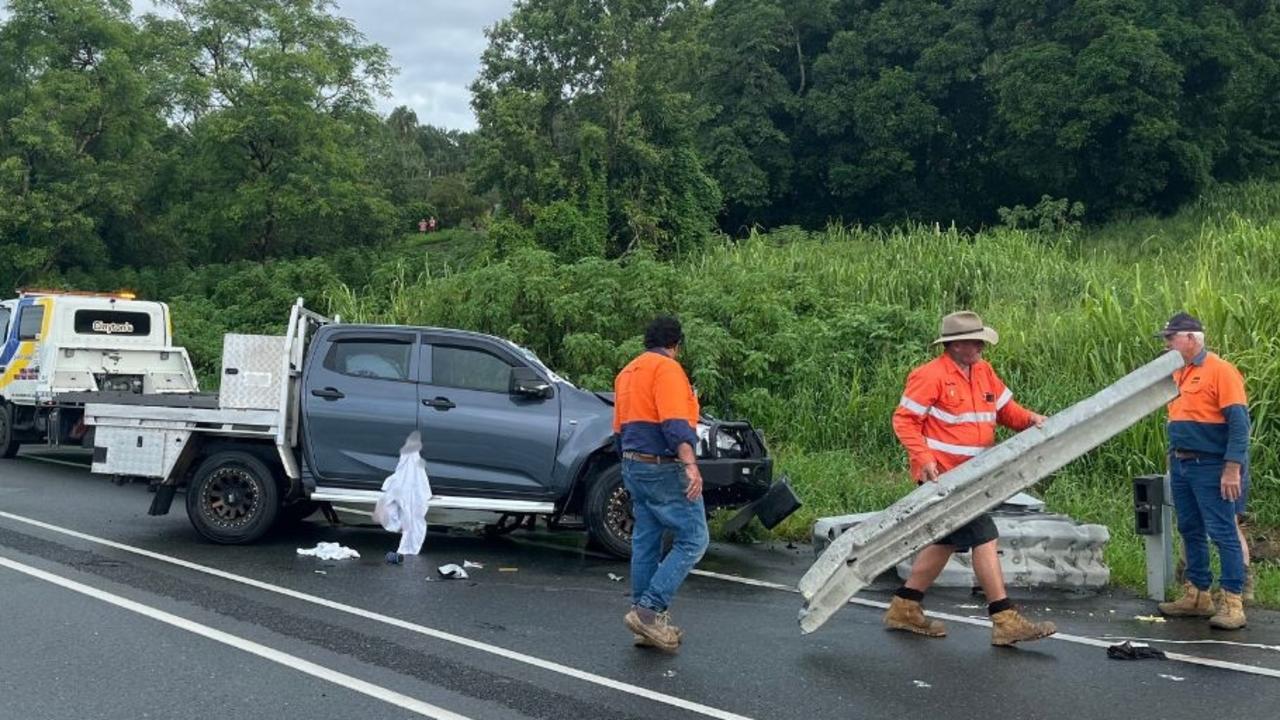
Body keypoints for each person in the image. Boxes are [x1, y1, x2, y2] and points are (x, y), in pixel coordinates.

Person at [887, 310, 1057, 646]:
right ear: (955, 345)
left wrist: (1032, 420)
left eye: (981, 340)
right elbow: (904, 420)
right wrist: (924, 459)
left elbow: (1007, 410)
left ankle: (904, 607)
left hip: (974, 478)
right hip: (945, 480)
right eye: (974, 340)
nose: (981, 345)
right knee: (984, 535)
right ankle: (1004, 618)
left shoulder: (984, 372)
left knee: (946, 541)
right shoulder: (929, 375)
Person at [612, 315, 707, 651]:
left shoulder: (628, 372)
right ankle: (650, 610)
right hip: (663, 466)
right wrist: (690, 465)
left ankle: (645, 622)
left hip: (632, 464)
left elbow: (619, 431)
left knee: (646, 539)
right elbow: (674, 422)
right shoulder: (667, 370)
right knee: (694, 539)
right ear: (675, 345)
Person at [1155, 312, 1250, 629]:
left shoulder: (1221, 371)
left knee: (1223, 532)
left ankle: (1232, 602)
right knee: (1190, 528)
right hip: (1182, 462)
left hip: (1212, 465)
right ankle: (1197, 594)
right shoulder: (1179, 373)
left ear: (1192, 338)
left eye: (1172, 338)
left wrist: (1232, 468)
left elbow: (1239, 425)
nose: (1167, 344)